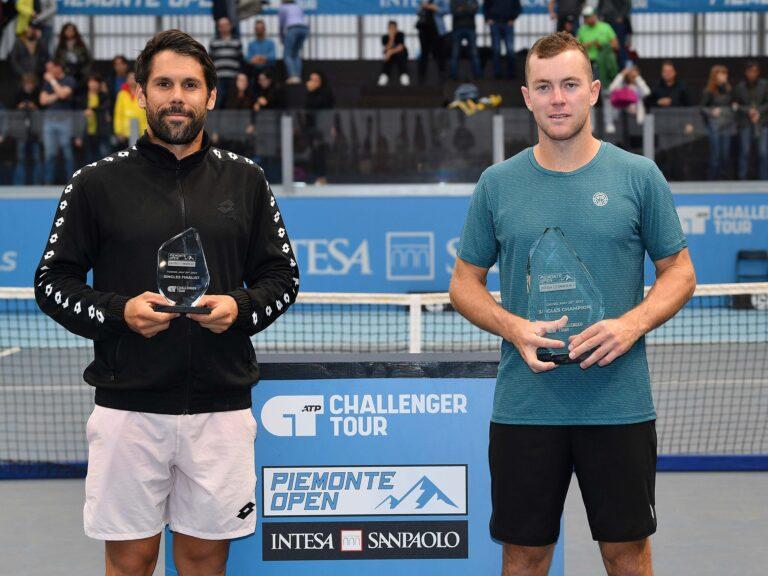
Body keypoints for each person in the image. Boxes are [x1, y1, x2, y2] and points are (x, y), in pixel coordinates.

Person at [34, 28, 298, 576]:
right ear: (140, 94)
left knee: (204, 562)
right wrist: (118, 313)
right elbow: (53, 283)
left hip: (220, 409)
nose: (177, 95)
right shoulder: (94, 184)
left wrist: (240, 309)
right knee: (130, 562)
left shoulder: (247, 181)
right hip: (128, 408)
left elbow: (283, 277)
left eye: (190, 84)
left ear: (211, 96)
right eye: (164, 84)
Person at [449, 31, 695, 576]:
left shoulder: (639, 176)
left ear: (594, 91)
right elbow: (463, 283)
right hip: (526, 408)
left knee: (626, 554)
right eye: (544, 87)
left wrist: (631, 325)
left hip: (619, 405)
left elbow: (679, 271)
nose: (557, 98)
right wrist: (512, 326)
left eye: (568, 84)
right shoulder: (497, 184)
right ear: (526, 96)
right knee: (526, 555)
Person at [577, 6, 618, 133]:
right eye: (585, 17)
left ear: (595, 16)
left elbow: (615, 45)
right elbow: (575, 47)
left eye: (589, 16)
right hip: (588, 64)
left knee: (607, 94)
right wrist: (586, 45)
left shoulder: (605, 27)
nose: (587, 19)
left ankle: (609, 123)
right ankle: (590, 124)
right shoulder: (582, 30)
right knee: (588, 95)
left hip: (603, 65)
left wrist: (602, 45)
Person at [39, 58, 77, 184]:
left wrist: (52, 81)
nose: (49, 71)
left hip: (64, 120)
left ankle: (71, 182)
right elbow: (43, 101)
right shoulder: (47, 83)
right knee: (49, 153)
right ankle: (48, 182)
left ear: (59, 67)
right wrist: (57, 93)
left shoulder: (69, 80)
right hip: (49, 120)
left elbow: (63, 95)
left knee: (67, 152)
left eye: (52, 68)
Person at [733, 61, 768, 180]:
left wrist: (758, 112)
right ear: (746, 72)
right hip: (745, 123)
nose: (752, 74)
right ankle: (742, 180)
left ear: (758, 72)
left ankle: (764, 180)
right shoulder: (739, 87)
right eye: (750, 71)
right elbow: (735, 105)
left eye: (755, 71)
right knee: (744, 152)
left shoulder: (765, 85)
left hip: (762, 122)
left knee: (763, 152)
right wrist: (748, 111)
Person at [701, 64, 735, 180]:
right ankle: (712, 180)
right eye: (722, 73)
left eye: (726, 73)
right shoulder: (709, 91)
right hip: (714, 126)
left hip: (727, 125)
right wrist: (711, 111)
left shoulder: (729, 90)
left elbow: (733, 105)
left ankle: (724, 180)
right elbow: (702, 108)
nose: (725, 76)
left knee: (725, 154)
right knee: (715, 154)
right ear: (715, 76)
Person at [12, 73, 44, 185]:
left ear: (34, 85)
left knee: (37, 158)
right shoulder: (18, 94)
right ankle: (18, 184)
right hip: (21, 130)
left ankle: (37, 183)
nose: (29, 86)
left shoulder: (37, 94)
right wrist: (19, 107)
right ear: (23, 84)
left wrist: (34, 106)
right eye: (27, 84)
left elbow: (42, 108)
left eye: (31, 84)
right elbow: (12, 110)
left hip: (35, 130)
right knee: (20, 158)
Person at [304, 70, 334, 185]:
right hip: (311, 129)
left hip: (322, 128)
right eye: (311, 80)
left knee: (321, 152)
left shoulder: (325, 94)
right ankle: (317, 176)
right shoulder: (309, 95)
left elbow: (324, 110)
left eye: (315, 80)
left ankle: (322, 177)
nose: (311, 82)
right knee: (314, 153)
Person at [209, 17, 243, 109]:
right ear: (218, 27)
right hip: (219, 77)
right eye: (221, 26)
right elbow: (210, 60)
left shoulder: (237, 41)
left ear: (230, 26)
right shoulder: (214, 42)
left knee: (232, 101)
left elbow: (240, 60)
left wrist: (240, 75)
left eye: (226, 25)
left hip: (233, 76)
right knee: (218, 100)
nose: (223, 27)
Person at [483, 0, 521, 79]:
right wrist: (488, 18)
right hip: (495, 23)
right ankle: (497, 74)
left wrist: (512, 18)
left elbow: (518, 7)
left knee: (510, 49)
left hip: (508, 23)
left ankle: (512, 74)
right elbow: (485, 6)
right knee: (496, 49)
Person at [54, 22, 92, 100]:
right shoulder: (60, 46)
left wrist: (84, 73)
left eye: (71, 30)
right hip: (65, 75)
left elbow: (88, 60)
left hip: (79, 75)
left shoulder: (81, 45)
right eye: (67, 30)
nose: (69, 32)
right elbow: (57, 61)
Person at [416, 0, 448, 83]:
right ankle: (421, 77)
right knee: (424, 53)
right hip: (424, 29)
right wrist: (422, 7)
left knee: (439, 53)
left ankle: (442, 75)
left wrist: (435, 8)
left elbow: (446, 10)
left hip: (437, 30)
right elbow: (417, 11)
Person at [82, 73, 112, 163]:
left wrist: (92, 109)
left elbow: (105, 107)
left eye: (95, 81)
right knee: (89, 158)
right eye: (91, 81)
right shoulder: (83, 96)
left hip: (101, 130)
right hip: (87, 131)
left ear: (99, 84)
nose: (93, 84)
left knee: (103, 156)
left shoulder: (104, 95)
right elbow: (79, 111)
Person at [113, 70, 148, 146]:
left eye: (134, 78)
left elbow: (147, 112)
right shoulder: (121, 94)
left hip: (141, 130)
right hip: (125, 132)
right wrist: (118, 131)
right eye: (130, 78)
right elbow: (118, 114)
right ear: (126, 80)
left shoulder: (143, 94)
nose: (132, 80)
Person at [279, 0, 309, 84]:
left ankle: (292, 76)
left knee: (287, 54)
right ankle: (298, 76)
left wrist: (281, 37)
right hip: (304, 29)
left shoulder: (282, 7)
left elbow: (281, 24)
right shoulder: (298, 7)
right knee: (296, 54)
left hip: (292, 28)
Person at [450, 0, 481, 80]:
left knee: (474, 53)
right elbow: (454, 12)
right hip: (457, 28)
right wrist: (468, 9)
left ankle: (478, 76)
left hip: (470, 28)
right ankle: (453, 76)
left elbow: (474, 10)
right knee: (455, 54)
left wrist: (462, 9)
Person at [598, 0, 631, 68]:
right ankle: (610, 69)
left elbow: (627, 5)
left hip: (618, 23)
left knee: (620, 47)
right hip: (606, 21)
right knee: (606, 46)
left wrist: (620, 16)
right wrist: (600, 16)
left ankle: (624, 69)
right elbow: (600, 5)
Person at [378, 20, 410, 86]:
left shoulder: (400, 34)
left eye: (393, 27)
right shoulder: (385, 37)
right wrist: (391, 37)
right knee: (387, 58)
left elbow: (401, 47)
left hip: (400, 55)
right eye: (390, 27)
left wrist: (390, 52)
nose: (392, 29)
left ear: (396, 28)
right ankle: (384, 76)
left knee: (400, 54)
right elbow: (386, 48)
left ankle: (404, 76)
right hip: (390, 57)